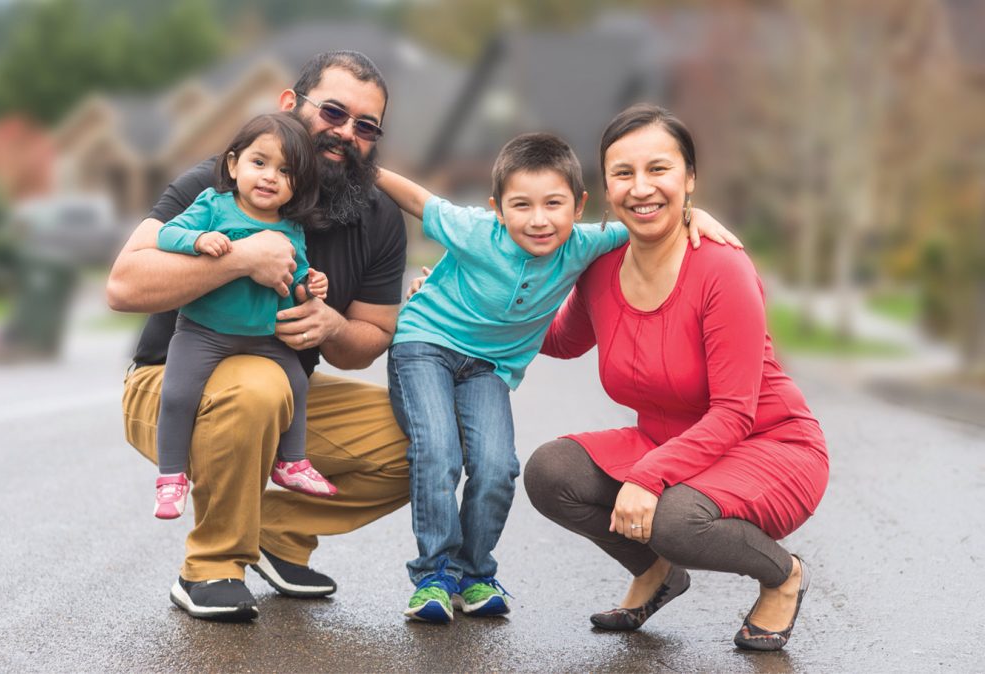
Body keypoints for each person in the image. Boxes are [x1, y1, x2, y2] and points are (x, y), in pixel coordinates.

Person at [378, 135, 738, 624]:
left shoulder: (585, 242)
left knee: (497, 466)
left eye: (554, 204)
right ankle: (434, 575)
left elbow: (649, 223)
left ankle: (474, 573)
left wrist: (696, 215)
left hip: (489, 368)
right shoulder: (475, 230)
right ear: (497, 209)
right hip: (426, 346)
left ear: (579, 205)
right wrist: (365, 169)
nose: (539, 219)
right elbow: (420, 200)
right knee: (439, 451)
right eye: (521, 205)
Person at [108, 51, 410, 621]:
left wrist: (334, 326)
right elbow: (123, 285)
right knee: (260, 385)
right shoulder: (219, 185)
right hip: (173, 385)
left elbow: (372, 337)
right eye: (334, 112)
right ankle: (213, 566)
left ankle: (277, 533)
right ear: (290, 105)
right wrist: (238, 259)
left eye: (365, 126)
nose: (346, 133)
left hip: (284, 397)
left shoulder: (377, 216)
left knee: (427, 435)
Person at [523, 103, 829, 651]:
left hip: (768, 442)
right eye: (624, 173)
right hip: (671, 442)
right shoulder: (602, 265)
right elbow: (563, 339)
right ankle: (658, 572)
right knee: (551, 471)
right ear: (608, 188)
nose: (642, 188)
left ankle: (783, 577)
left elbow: (736, 411)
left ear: (690, 179)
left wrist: (648, 477)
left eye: (659, 169)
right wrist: (472, 305)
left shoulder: (721, 269)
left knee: (675, 519)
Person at [152, 112, 336, 521]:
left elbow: (296, 279)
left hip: (264, 337)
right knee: (178, 394)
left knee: (297, 386)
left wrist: (312, 285)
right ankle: (171, 479)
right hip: (204, 330)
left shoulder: (291, 227)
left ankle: (292, 462)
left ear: (297, 186)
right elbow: (165, 235)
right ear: (234, 165)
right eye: (259, 162)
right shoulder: (213, 206)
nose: (270, 176)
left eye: (285, 171)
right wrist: (198, 238)